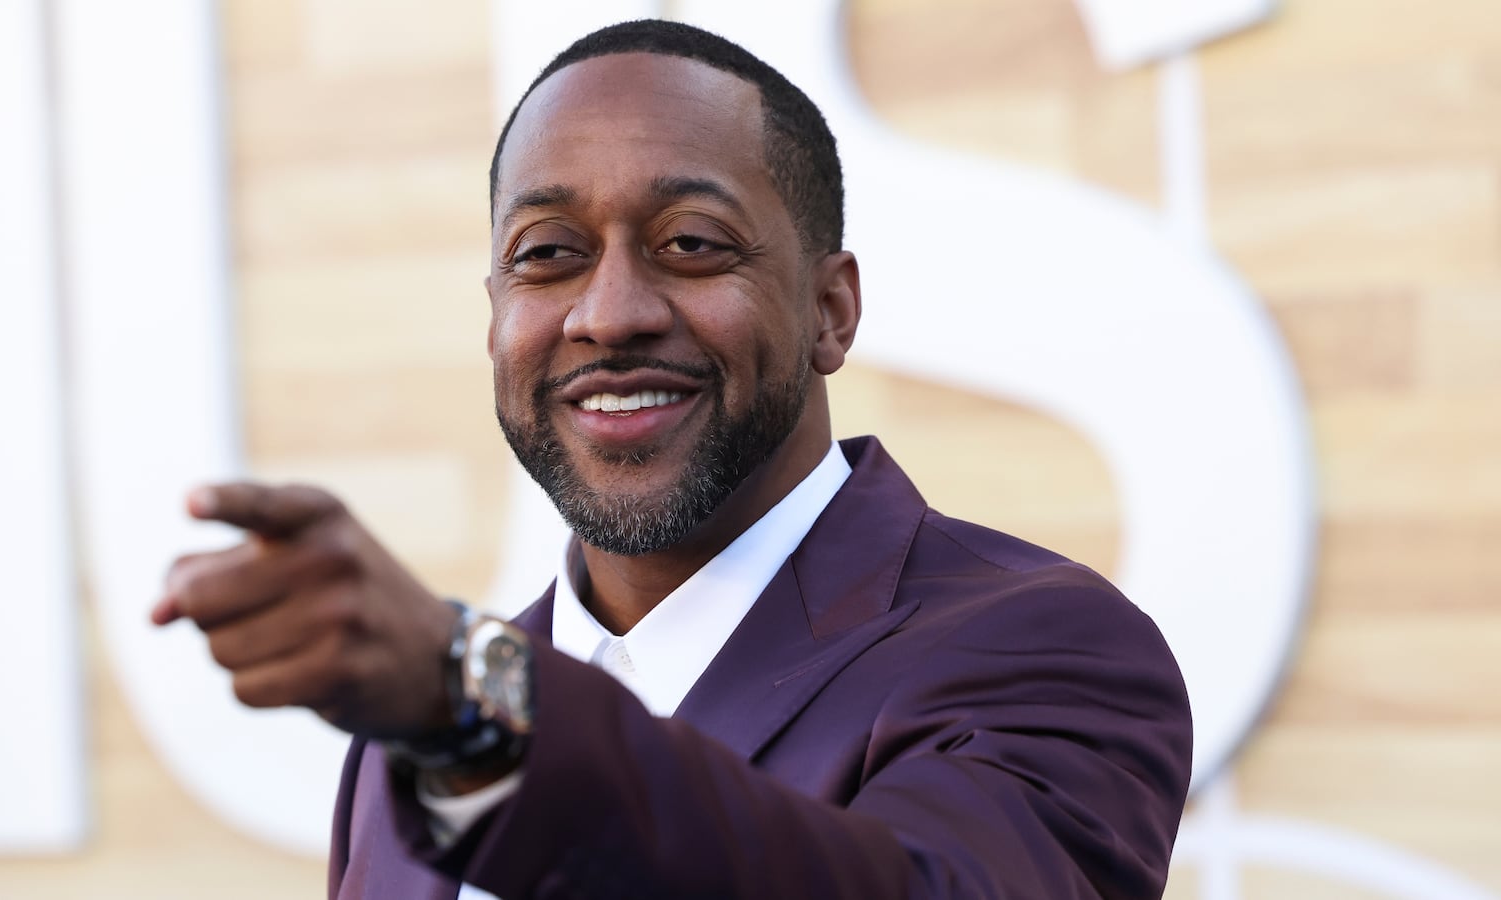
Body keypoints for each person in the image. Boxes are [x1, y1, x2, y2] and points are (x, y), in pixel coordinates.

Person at [154, 19, 1192, 900]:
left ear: (830, 312)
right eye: (548, 255)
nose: (609, 316)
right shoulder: (413, 731)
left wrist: (474, 708)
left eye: (691, 244)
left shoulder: (1047, 649)